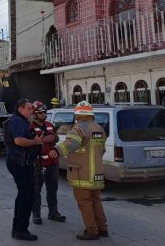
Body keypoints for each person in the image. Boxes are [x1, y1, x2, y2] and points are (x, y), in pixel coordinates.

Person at [55, 101, 108, 240]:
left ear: (78, 115)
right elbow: (102, 150)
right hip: (97, 173)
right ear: (91, 114)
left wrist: (57, 150)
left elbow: (71, 144)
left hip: (82, 173)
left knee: (84, 202)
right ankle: (103, 228)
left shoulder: (77, 128)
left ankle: (92, 231)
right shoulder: (99, 128)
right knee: (96, 200)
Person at [4, 98, 43, 241]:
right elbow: (18, 140)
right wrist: (35, 141)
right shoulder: (17, 121)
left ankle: (18, 228)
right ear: (21, 109)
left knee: (23, 195)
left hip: (22, 161)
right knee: (27, 195)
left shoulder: (23, 121)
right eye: (29, 108)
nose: (32, 110)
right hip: (19, 162)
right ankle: (21, 230)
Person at [30, 101, 66, 225]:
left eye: (44, 111)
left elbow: (55, 137)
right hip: (38, 164)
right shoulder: (30, 127)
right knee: (36, 191)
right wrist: (45, 139)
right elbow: (30, 143)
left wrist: (54, 138)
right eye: (40, 112)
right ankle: (36, 215)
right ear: (34, 114)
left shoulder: (50, 124)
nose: (44, 114)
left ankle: (53, 213)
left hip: (52, 163)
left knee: (52, 190)